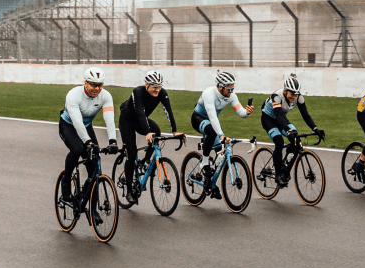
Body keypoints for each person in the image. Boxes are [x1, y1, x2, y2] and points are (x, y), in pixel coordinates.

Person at [119, 70, 186, 205]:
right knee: (131, 155)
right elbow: (140, 113)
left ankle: (145, 160)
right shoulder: (137, 92)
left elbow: (168, 111)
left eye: (159, 86)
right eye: (154, 87)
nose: (157, 90)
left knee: (157, 132)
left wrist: (174, 131)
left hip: (141, 120)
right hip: (128, 121)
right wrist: (147, 132)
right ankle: (129, 192)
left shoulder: (162, 93)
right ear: (146, 84)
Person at [59, 67, 118, 220]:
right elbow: (77, 122)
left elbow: (109, 119)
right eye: (93, 85)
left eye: (100, 85)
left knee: (95, 165)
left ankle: (91, 206)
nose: (96, 89)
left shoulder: (106, 96)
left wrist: (113, 140)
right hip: (69, 125)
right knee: (78, 149)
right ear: (85, 83)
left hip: (86, 127)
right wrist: (88, 142)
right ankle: (66, 182)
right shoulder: (73, 95)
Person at [192, 71, 254, 199]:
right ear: (220, 86)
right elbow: (212, 116)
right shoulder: (209, 93)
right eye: (229, 88)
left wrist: (247, 112)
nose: (231, 91)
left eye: (233, 88)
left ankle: (211, 184)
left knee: (221, 151)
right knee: (212, 131)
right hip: (198, 118)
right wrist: (221, 135)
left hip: (211, 123)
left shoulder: (231, 96)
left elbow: (241, 112)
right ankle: (204, 163)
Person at [260, 76, 324, 187]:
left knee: (296, 140)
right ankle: (278, 174)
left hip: (281, 119)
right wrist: (288, 130)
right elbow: (278, 115)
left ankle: (285, 165)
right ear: (285, 91)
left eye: (296, 94)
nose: (294, 96)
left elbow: (305, 115)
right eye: (292, 94)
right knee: (279, 142)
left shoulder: (299, 98)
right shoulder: (277, 97)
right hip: (269, 119)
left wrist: (315, 128)